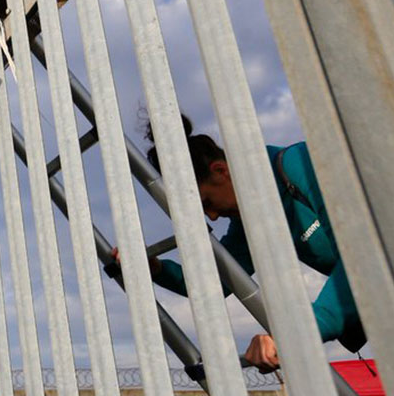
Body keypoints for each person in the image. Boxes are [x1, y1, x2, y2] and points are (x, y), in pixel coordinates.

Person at [117, 116, 365, 373]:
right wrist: (157, 268)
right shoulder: (249, 220)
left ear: (220, 171)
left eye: (207, 203)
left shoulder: (301, 165)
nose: (212, 216)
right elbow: (215, 281)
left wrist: (295, 333)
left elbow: (365, 259)